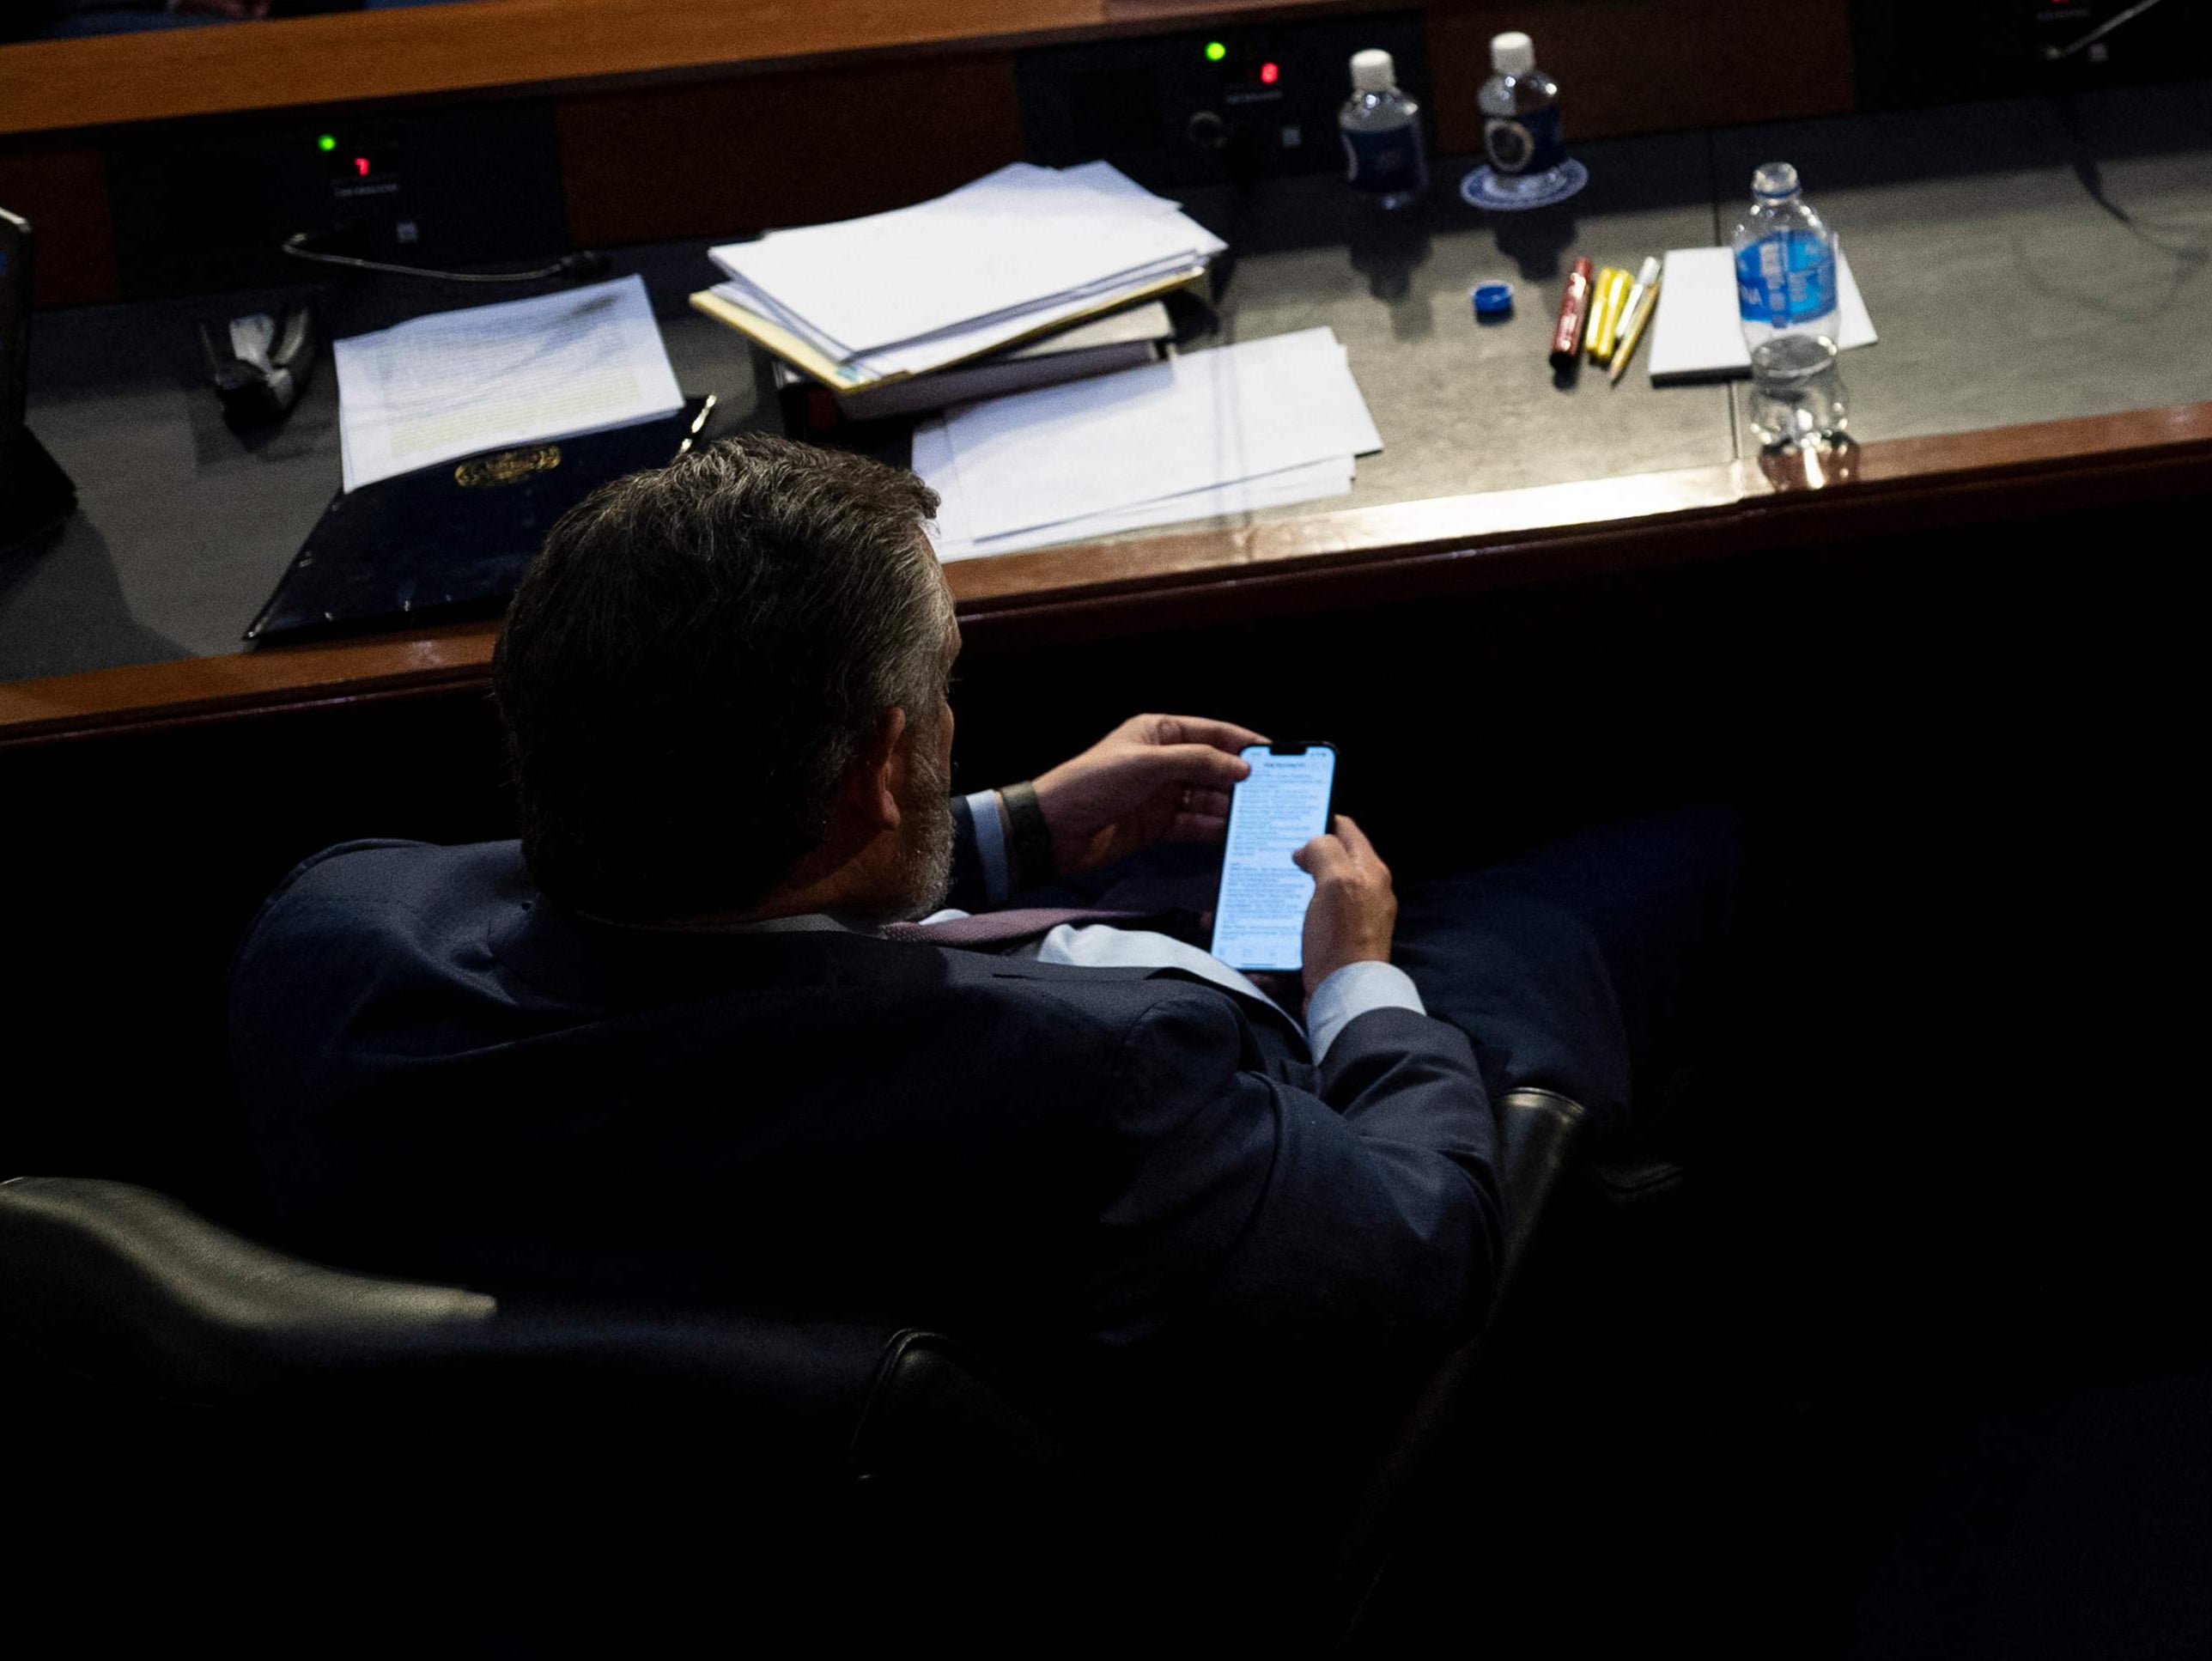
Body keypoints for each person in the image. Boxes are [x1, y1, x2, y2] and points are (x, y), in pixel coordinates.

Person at [229, 433, 1738, 1553]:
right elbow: (1424, 1246)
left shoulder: (337, 952)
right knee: (1676, 858)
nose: (955, 710)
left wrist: (1010, 828)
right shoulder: (1096, 1085)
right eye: (943, 687)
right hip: (1243, 1297)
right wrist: (1361, 985)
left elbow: (653, 879)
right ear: (877, 772)